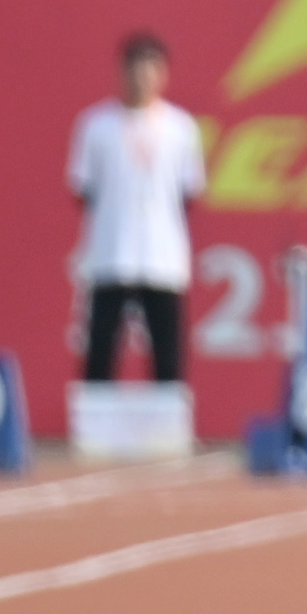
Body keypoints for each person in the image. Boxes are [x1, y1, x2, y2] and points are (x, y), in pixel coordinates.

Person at [69, 33, 205, 384]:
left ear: (164, 75)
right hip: (110, 253)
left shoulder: (181, 128)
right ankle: (94, 427)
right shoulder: (96, 125)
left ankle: (169, 426)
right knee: (100, 344)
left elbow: (188, 191)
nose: (142, 77)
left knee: (166, 347)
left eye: (151, 69)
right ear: (121, 72)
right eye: (134, 68)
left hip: (161, 254)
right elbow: (84, 189)